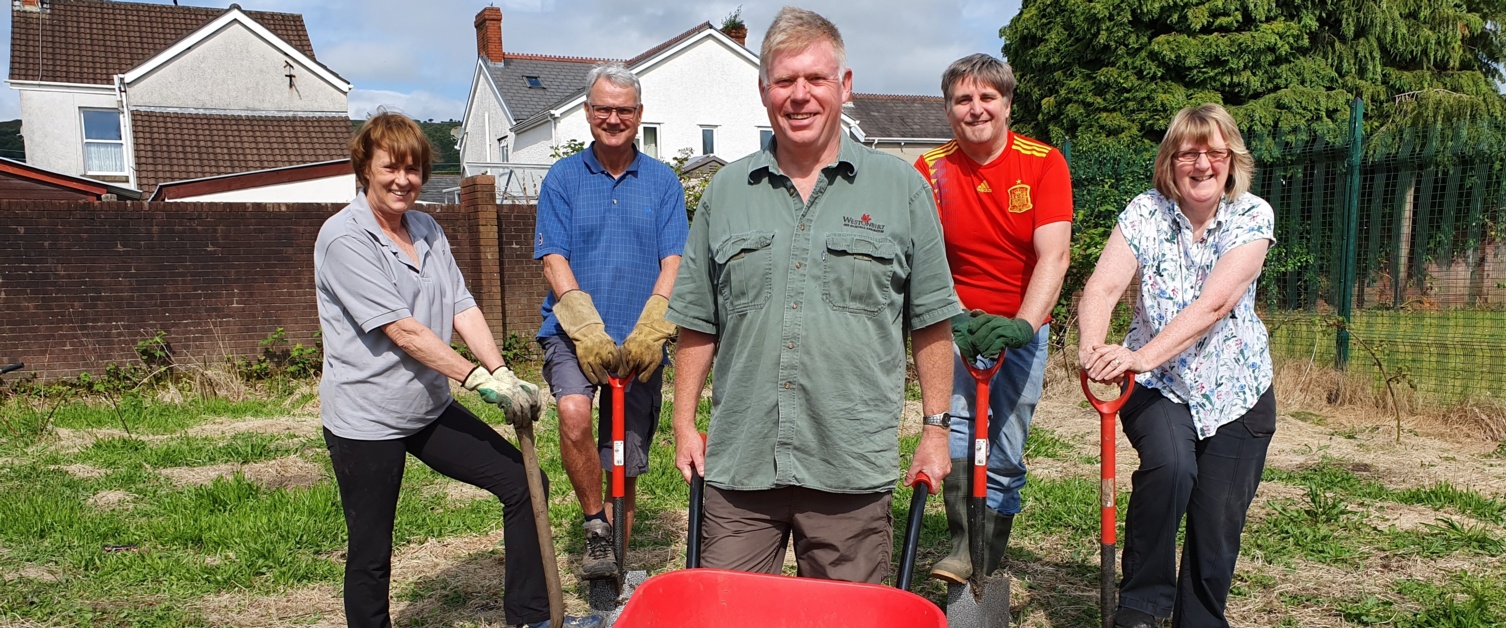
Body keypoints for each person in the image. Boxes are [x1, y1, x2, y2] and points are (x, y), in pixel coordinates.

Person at [666, 6, 962, 584]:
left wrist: (935, 429)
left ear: (844, 87)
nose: (799, 96)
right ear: (763, 91)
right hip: (742, 467)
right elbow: (699, 320)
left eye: (815, 79)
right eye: (784, 81)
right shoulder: (725, 192)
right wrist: (683, 423)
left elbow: (930, 321)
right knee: (728, 621)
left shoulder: (902, 189)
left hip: (849, 464)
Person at [315, 112, 596, 628]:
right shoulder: (344, 239)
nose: (404, 180)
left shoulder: (425, 228)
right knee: (372, 549)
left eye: (414, 169)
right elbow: (403, 331)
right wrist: (474, 378)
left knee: (521, 480)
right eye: (390, 168)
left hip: (426, 408)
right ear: (364, 168)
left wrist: (501, 370)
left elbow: (461, 306)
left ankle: (530, 618)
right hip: (366, 419)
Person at [1077, 103, 1276, 628]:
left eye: (1215, 152)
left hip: (1239, 391)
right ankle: (1142, 607)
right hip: (1159, 387)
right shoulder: (1144, 211)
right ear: (1171, 160)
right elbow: (1103, 285)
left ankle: (1200, 620)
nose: (1203, 164)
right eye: (1190, 152)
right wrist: (1092, 346)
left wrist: (1138, 357)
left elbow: (1215, 304)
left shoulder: (1253, 215)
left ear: (1232, 161)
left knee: (1216, 520)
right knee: (1170, 469)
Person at [913, 53, 1073, 585]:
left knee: (1004, 440)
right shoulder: (931, 170)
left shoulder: (1043, 162)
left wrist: (1024, 326)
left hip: (1022, 325)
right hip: (957, 326)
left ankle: (989, 547)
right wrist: (955, 320)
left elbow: (1054, 255)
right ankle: (962, 545)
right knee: (957, 427)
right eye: (963, 99)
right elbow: (928, 258)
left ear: (1006, 103)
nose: (975, 109)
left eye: (987, 98)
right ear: (948, 108)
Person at [534, 62, 689, 579]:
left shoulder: (663, 183)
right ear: (588, 112)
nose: (613, 118)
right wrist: (584, 326)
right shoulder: (563, 178)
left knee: (622, 452)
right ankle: (595, 525)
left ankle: (614, 566)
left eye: (624, 109)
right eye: (604, 108)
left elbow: (675, 261)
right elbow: (554, 258)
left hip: (640, 336)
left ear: (639, 115)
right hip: (573, 334)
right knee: (574, 412)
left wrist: (653, 326)